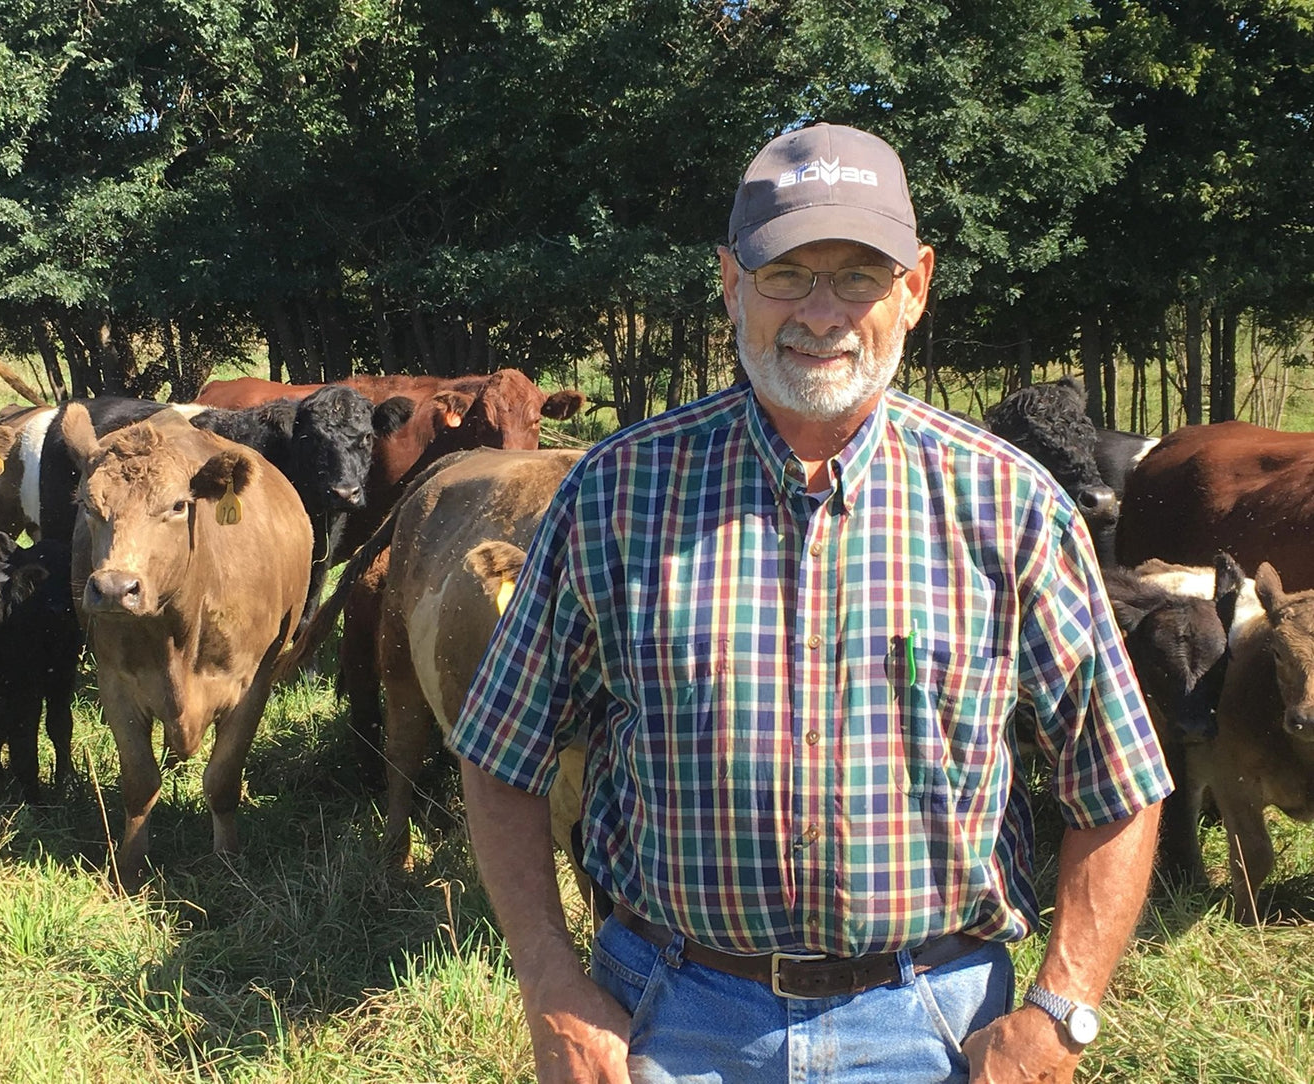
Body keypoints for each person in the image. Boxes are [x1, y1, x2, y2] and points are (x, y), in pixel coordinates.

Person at [449, 122, 1171, 1084]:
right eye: (786, 274)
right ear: (730, 282)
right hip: (664, 1017)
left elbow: (1116, 782)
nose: (820, 313)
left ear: (913, 288)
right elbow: (502, 755)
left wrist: (1058, 1015)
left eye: (858, 277)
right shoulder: (617, 492)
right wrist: (552, 985)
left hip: (934, 1021)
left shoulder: (1009, 505)